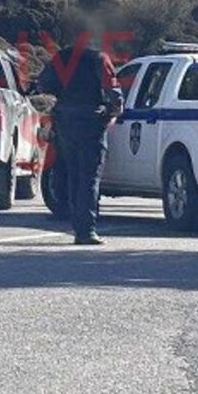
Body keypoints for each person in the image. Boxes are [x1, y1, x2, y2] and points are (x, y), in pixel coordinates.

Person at [35, 43, 123, 245]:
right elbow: (113, 90)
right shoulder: (99, 58)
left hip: (65, 121)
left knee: (73, 175)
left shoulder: (61, 57)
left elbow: (42, 84)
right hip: (91, 122)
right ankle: (86, 230)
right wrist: (113, 112)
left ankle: (78, 226)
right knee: (89, 178)